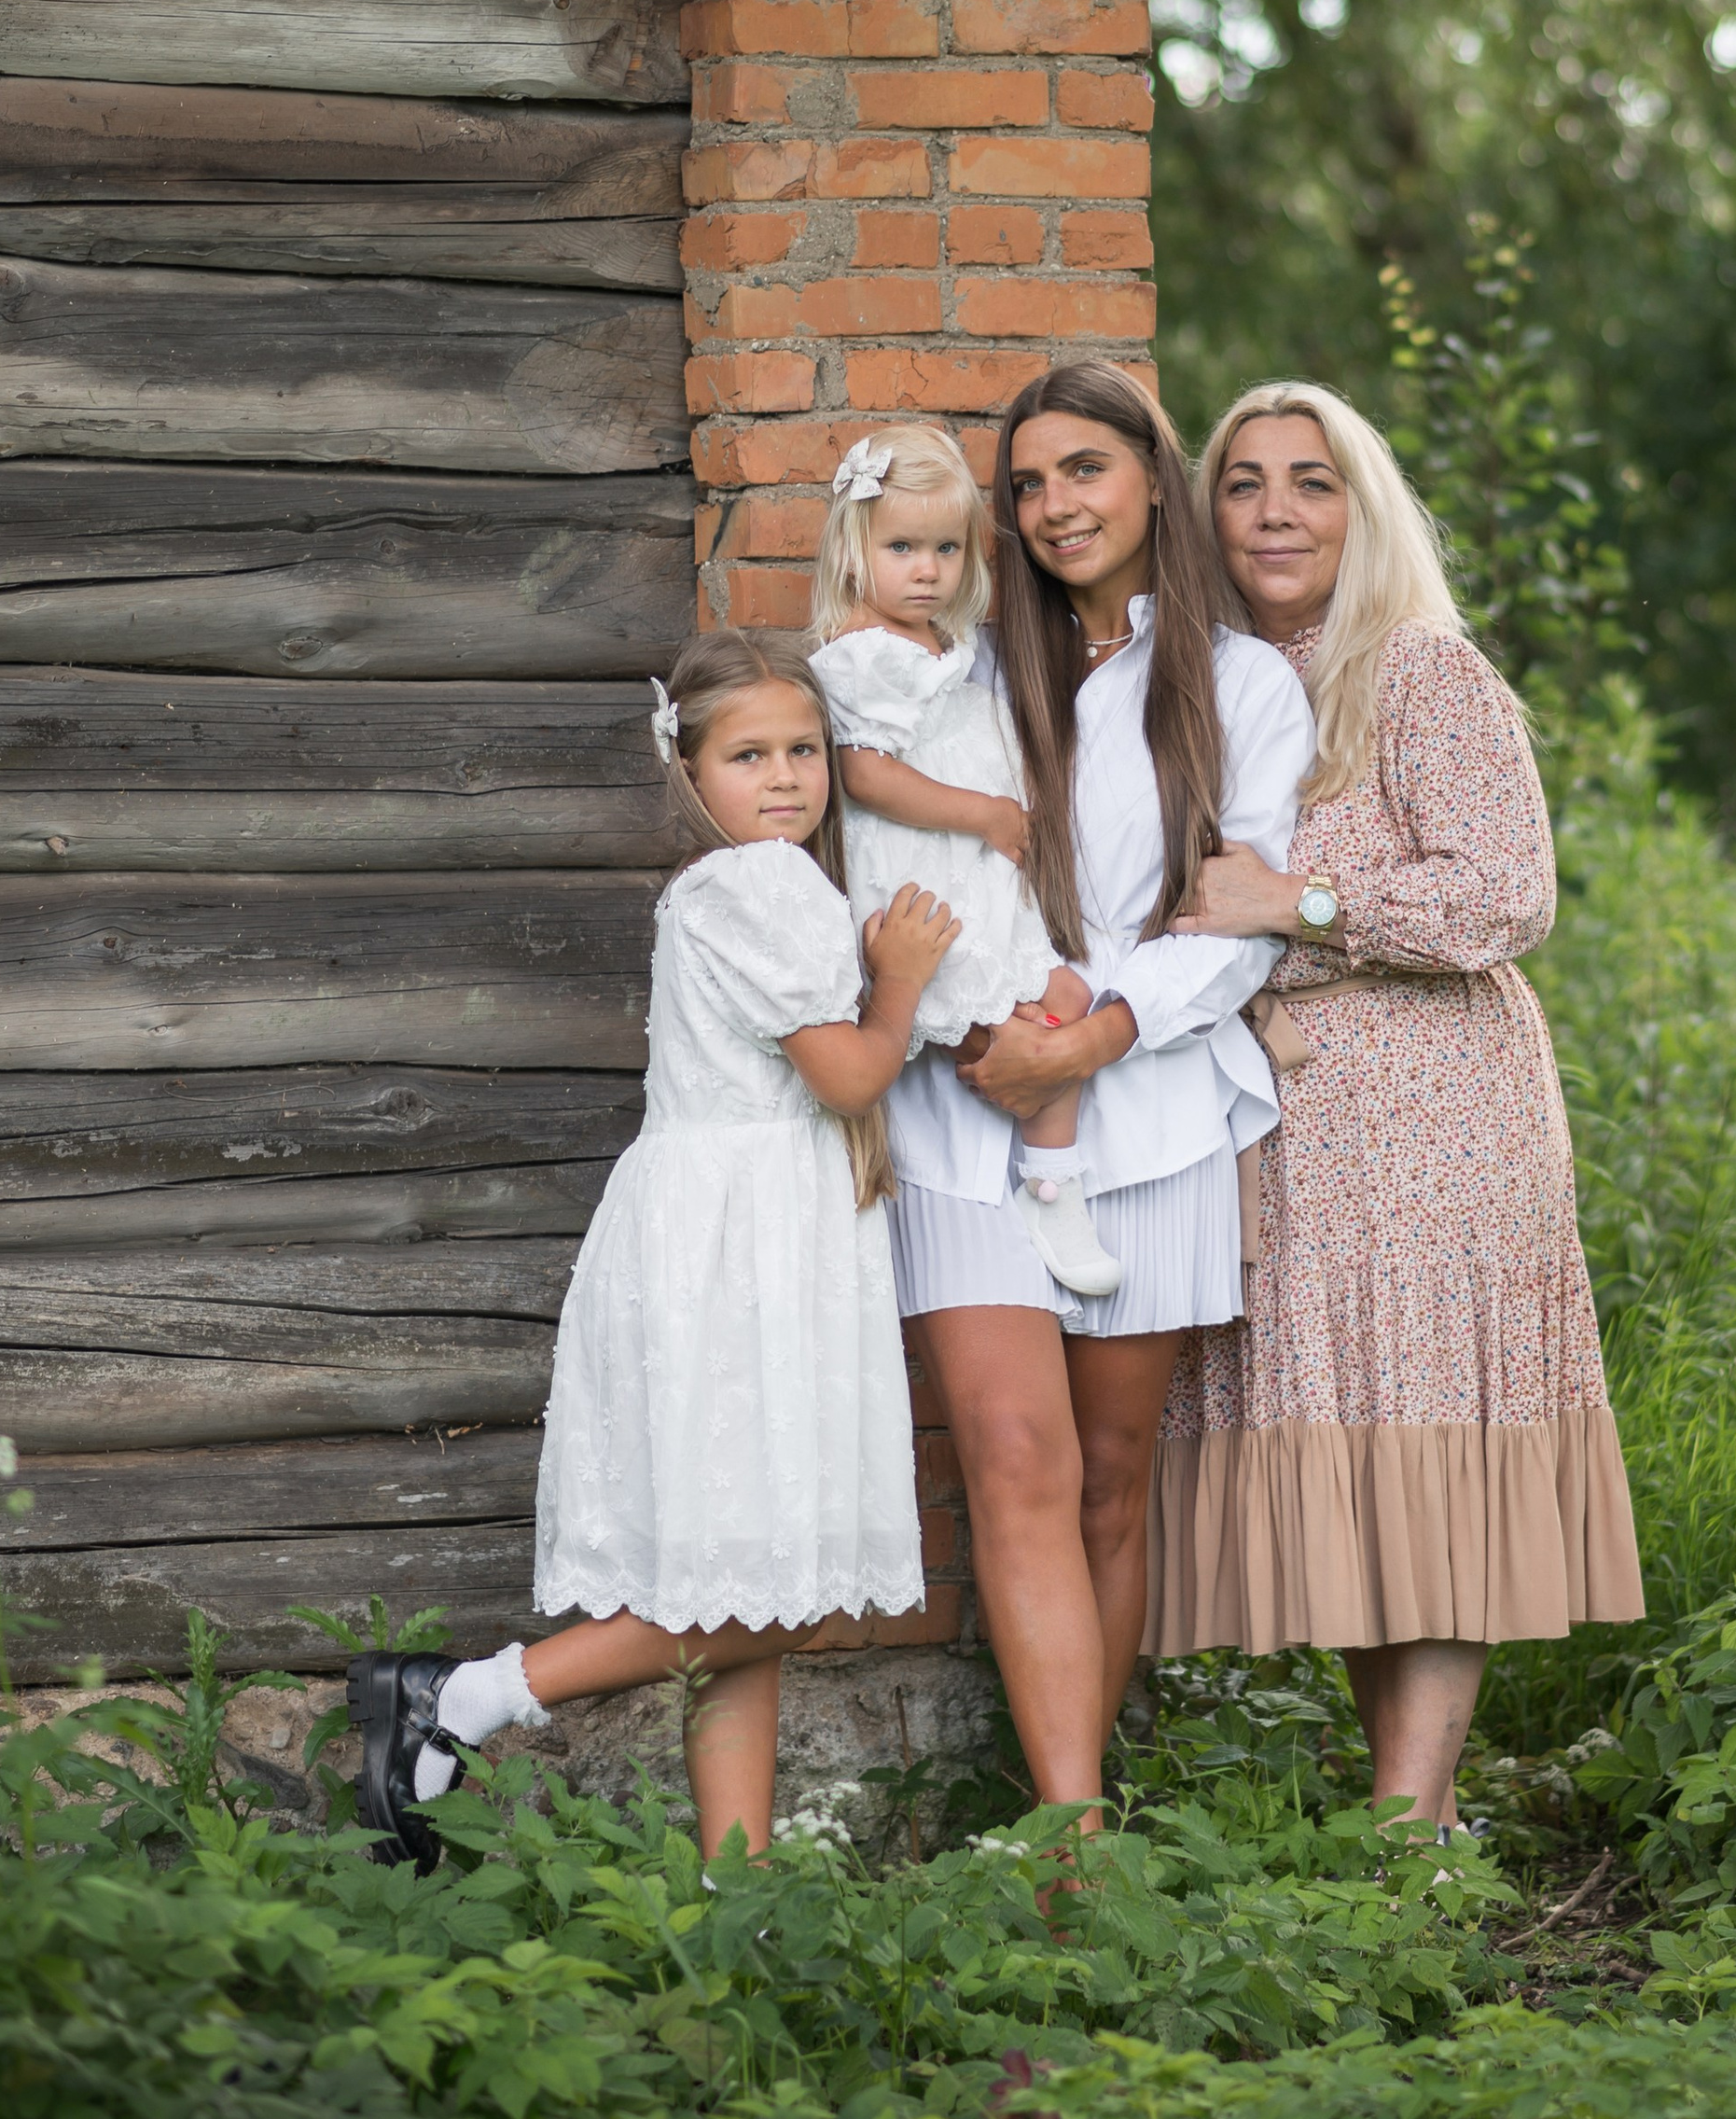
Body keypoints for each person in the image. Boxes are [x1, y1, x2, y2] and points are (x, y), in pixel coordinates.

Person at [349, 631, 959, 1869]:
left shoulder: (743, 884)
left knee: (749, 1593)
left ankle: (734, 1886)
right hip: (745, 1253)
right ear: (687, 769)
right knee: (741, 1590)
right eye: (748, 755)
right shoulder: (757, 887)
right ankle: (468, 1695)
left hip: (728, 1230)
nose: (784, 777)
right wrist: (899, 981)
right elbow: (847, 1075)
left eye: (803, 750)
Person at [1152, 383, 1645, 1841]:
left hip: (1438, 1118)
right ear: (1209, 516)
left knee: (1431, 1446)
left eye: (1313, 482)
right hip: (1291, 1131)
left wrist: (1300, 900)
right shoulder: (1213, 689)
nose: (1276, 512)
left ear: (1363, 510)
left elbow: (1510, 892)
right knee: (1366, 1467)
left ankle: (1403, 1837)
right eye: (1243, 485)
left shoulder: (1419, 671)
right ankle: (1414, 1828)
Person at [884, 359, 1318, 1818]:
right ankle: (1072, 1846)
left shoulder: (1243, 683)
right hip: (967, 1103)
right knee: (1015, 1455)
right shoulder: (966, 674)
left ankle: (1082, 1817)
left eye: (1084, 468)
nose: (1055, 503)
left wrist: (1100, 1032)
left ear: (1150, 475)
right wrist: (974, 1025)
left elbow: (1239, 917)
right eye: (1029, 483)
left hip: (1147, 1107)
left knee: (1110, 1479)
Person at [810, 418, 1120, 1298]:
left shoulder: (940, 646)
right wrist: (984, 813)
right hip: (928, 886)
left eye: (946, 548)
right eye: (902, 546)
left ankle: (1048, 1178)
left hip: (981, 886)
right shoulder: (863, 657)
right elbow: (865, 777)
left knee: (1065, 1003)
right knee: (1030, 1033)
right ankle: (1049, 1188)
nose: (928, 569)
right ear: (851, 552)